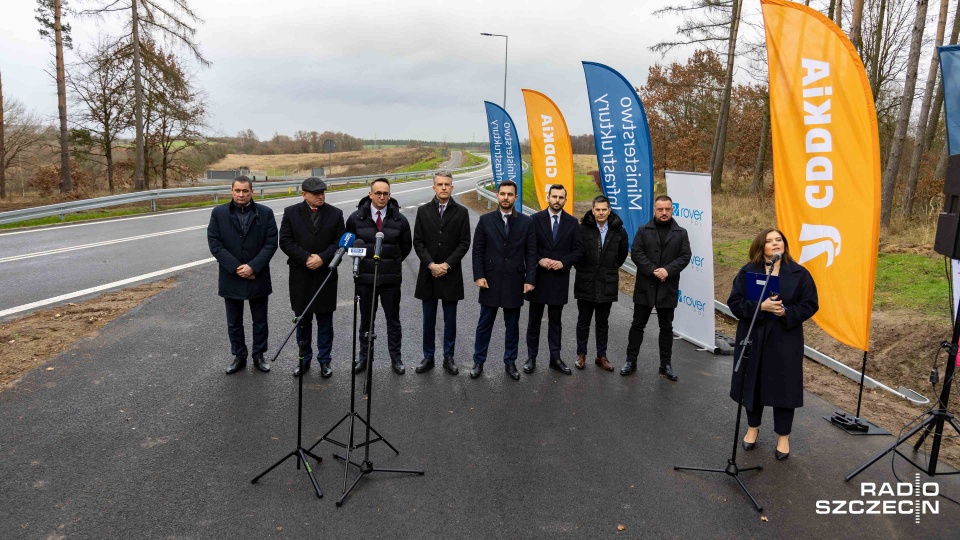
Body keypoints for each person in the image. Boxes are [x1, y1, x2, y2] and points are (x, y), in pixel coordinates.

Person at [728, 228, 818, 461]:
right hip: (754, 336)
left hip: (785, 339)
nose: (775, 244)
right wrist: (761, 308)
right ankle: (752, 428)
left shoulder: (800, 273)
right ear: (761, 247)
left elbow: (810, 304)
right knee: (753, 382)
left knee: (784, 388)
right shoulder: (748, 271)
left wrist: (786, 312)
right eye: (769, 241)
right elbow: (735, 303)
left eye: (779, 240)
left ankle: (783, 437)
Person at [207, 175, 278, 374]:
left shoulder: (265, 213)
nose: (241, 194)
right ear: (231, 191)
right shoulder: (219, 213)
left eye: (245, 191)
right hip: (231, 275)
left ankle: (259, 355)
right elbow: (214, 243)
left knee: (260, 319)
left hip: (258, 275)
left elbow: (271, 242)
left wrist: (253, 267)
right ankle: (239, 356)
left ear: (251, 192)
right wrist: (237, 267)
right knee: (234, 321)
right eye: (237, 190)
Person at [278, 177, 345, 378]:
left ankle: (325, 361)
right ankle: (303, 360)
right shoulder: (291, 213)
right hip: (301, 276)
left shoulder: (335, 213)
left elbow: (340, 242)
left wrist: (323, 258)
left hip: (325, 276)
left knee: (325, 322)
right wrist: (306, 257)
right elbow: (285, 241)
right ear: (304, 194)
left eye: (322, 192)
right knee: (302, 321)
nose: (320, 196)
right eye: (316, 193)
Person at [470, 180, 537, 381]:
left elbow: (531, 253)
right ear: (497, 195)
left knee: (512, 326)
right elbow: (477, 251)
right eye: (502, 194)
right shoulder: (485, 221)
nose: (505, 197)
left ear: (516, 198)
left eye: (510, 194)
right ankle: (478, 361)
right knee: (484, 325)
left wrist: (530, 279)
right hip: (490, 280)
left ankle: (510, 362)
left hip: (515, 282)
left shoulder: (527, 222)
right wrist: (479, 275)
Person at [346, 178, 413, 375]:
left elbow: (405, 247)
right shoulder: (355, 218)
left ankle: (396, 359)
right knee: (366, 321)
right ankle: (364, 358)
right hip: (365, 280)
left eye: (385, 193)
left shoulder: (400, 220)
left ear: (389, 195)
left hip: (390, 279)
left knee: (393, 320)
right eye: (378, 193)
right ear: (370, 194)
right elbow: (349, 245)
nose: (381, 197)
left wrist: (391, 263)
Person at [622, 195, 691, 381]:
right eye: (660, 209)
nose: (664, 212)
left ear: (672, 209)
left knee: (666, 328)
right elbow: (636, 253)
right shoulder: (643, 230)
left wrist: (667, 271)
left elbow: (685, 256)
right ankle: (630, 360)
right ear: (654, 210)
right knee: (637, 325)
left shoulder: (681, 233)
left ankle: (665, 365)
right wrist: (653, 270)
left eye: (667, 209)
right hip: (646, 286)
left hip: (667, 287)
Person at [413, 170, 471, 375]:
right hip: (428, 274)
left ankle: (449, 357)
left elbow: (464, 243)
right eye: (440, 184)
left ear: (452, 187)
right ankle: (428, 357)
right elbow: (417, 242)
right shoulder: (423, 211)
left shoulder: (462, 212)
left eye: (447, 184)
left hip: (450, 274)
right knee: (428, 319)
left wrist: (446, 265)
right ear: (434, 187)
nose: (444, 187)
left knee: (450, 320)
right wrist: (431, 264)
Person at [524, 184, 583, 375]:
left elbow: (578, 250)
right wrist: (540, 260)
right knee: (534, 320)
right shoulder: (534, 220)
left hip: (559, 278)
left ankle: (555, 358)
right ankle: (531, 358)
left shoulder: (573, 223)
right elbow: (529, 248)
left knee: (555, 321)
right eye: (554, 196)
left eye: (561, 197)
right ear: (547, 197)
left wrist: (563, 263)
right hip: (538, 278)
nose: (557, 200)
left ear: (565, 200)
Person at [573, 196, 629, 371]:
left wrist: (606, 269)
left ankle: (601, 356)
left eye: (604, 209)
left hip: (607, 282)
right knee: (583, 321)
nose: (601, 212)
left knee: (602, 322)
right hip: (586, 281)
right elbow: (576, 254)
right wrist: (587, 270)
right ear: (592, 209)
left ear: (609, 210)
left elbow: (620, 257)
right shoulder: (582, 229)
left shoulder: (619, 231)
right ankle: (581, 355)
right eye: (597, 209)